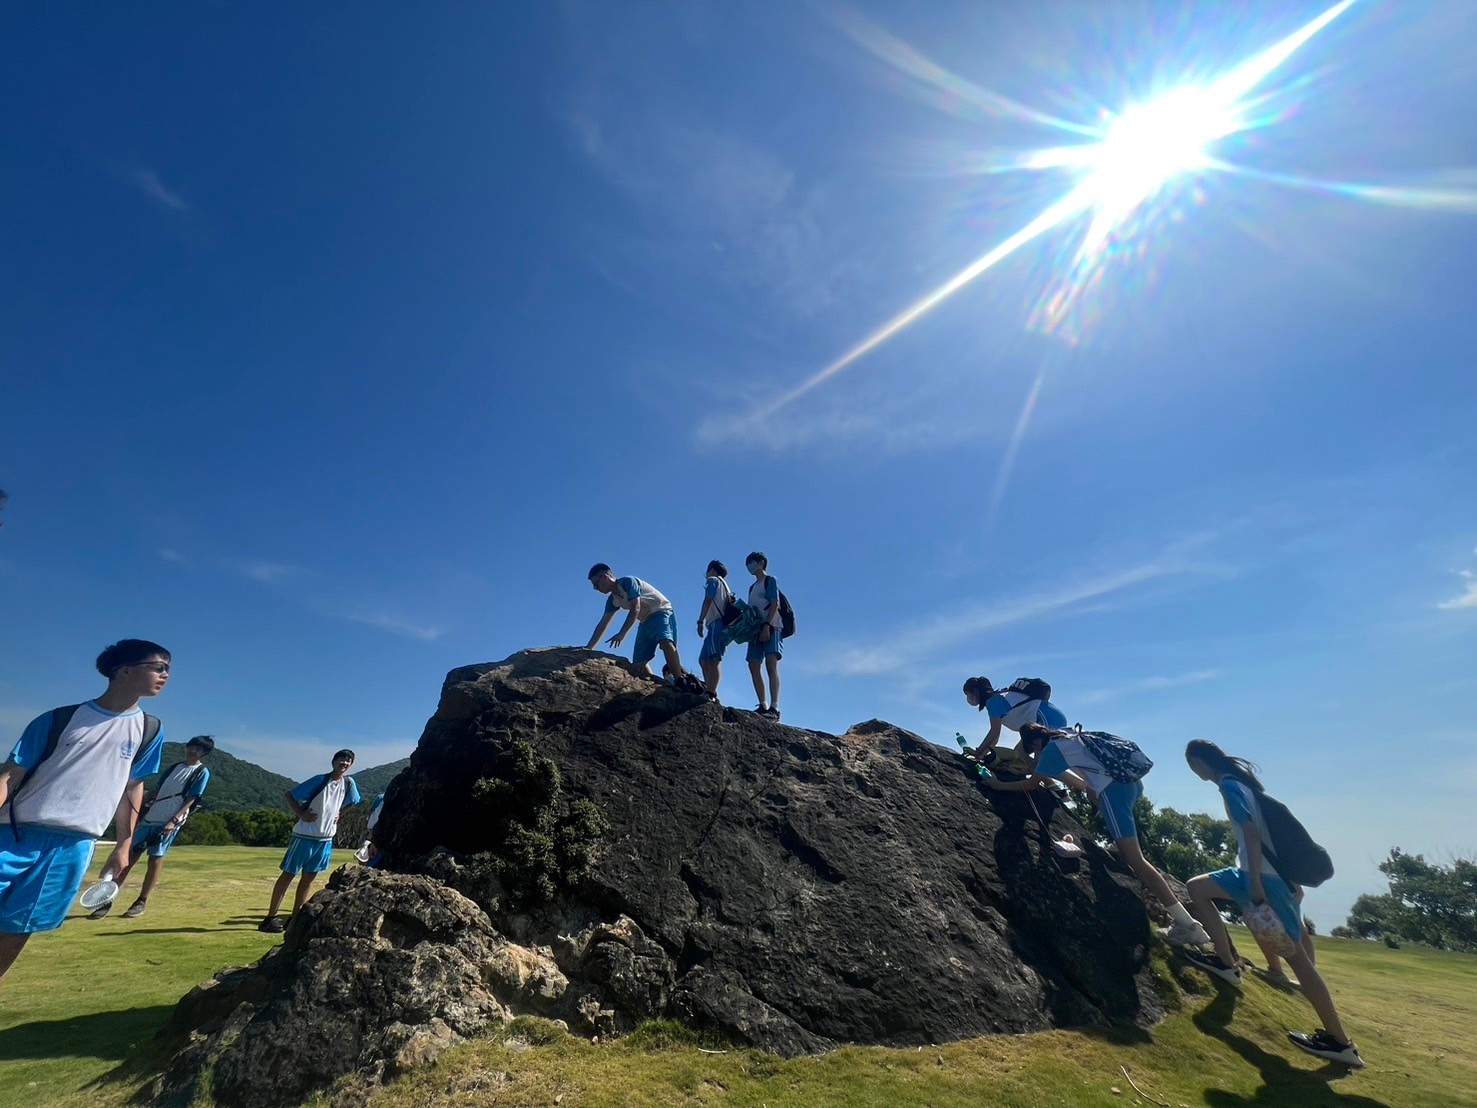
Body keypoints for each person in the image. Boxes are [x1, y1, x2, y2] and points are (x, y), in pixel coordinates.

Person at [1179, 740, 1362, 1067]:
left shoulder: (1230, 787)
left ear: (1201, 761)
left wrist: (1254, 883)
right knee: (1197, 888)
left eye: (1193, 765)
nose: (1194, 772)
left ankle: (1340, 1043)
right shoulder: (1242, 785)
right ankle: (1225, 963)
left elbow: (1251, 833)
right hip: (1256, 874)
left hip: (1261, 878)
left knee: (1299, 961)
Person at [0, 640, 170, 982]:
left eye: (168, 669)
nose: (165, 675)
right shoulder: (60, 718)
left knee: (20, 926)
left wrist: (124, 845)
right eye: (158, 667)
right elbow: (10, 775)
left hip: (74, 846)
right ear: (124, 671)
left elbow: (132, 788)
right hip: (16, 834)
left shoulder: (149, 730)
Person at [984, 723, 1213, 948]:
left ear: (1034, 743)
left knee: (1136, 860)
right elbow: (1085, 778)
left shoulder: (1052, 750)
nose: (1035, 752)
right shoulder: (1066, 735)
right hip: (1131, 784)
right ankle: (1119, 844)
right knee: (1101, 806)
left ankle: (1188, 925)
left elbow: (1034, 783)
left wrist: (998, 785)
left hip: (1114, 791)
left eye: (1032, 748)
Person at [88, 735, 213, 919]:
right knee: (128, 857)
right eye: (192, 746)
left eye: (199, 749)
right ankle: (107, 900)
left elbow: (192, 798)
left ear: (204, 753)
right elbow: (156, 791)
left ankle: (141, 901)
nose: (193, 750)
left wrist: (173, 821)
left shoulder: (201, 772)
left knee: (155, 859)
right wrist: (138, 810)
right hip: (150, 817)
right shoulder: (174, 767)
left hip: (169, 821)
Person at [260, 750, 360, 934]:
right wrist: (301, 813)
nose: (344, 763)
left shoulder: (348, 783)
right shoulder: (320, 780)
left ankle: (295, 918)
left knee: (308, 878)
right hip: (304, 836)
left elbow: (355, 801)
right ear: (334, 761)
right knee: (288, 875)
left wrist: (340, 814)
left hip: (325, 839)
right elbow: (290, 795)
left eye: (348, 761)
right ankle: (270, 917)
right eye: (341, 759)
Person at [585, 564, 693, 683]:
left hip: (660, 611)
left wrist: (622, 633)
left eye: (596, 584)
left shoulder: (628, 582)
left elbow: (635, 608)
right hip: (645, 621)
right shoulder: (613, 600)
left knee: (665, 640)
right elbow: (603, 623)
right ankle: (656, 684)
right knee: (639, 664)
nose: (596, 589)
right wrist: (589, 648)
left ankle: (679, 680)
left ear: (605, 577)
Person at [962, 677, 1068, 755]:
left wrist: (978, 751)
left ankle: (1042, 778)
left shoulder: (993, 702)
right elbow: (995, 738)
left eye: (968, 694)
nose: (968, 699)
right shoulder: (996, 699)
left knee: (1039, 761)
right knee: (1017, 756)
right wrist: (982, 754)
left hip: (1048, 719)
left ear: (975, 692)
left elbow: (994, 732)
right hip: (1047, 718)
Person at [744, 552, 784, 720]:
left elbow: (775, 604)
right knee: (753, 664)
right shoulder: (752, 588)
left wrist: (767, 626)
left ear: (761, 563)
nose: (750, 567)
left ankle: (774, 707)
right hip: (755, 630)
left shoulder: (770, 580)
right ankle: (763, 704)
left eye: (752, 563)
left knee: (770, 664)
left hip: (772, 626)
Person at [695, 560, 736, 697]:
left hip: (716, 623)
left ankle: (711, 693)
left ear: (712, 570)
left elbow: (708, 599)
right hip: (720, 624)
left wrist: (700, 621)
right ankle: (710, 689)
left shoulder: (713, 580)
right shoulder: (725, 585)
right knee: (704, 659)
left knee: (713, 658)